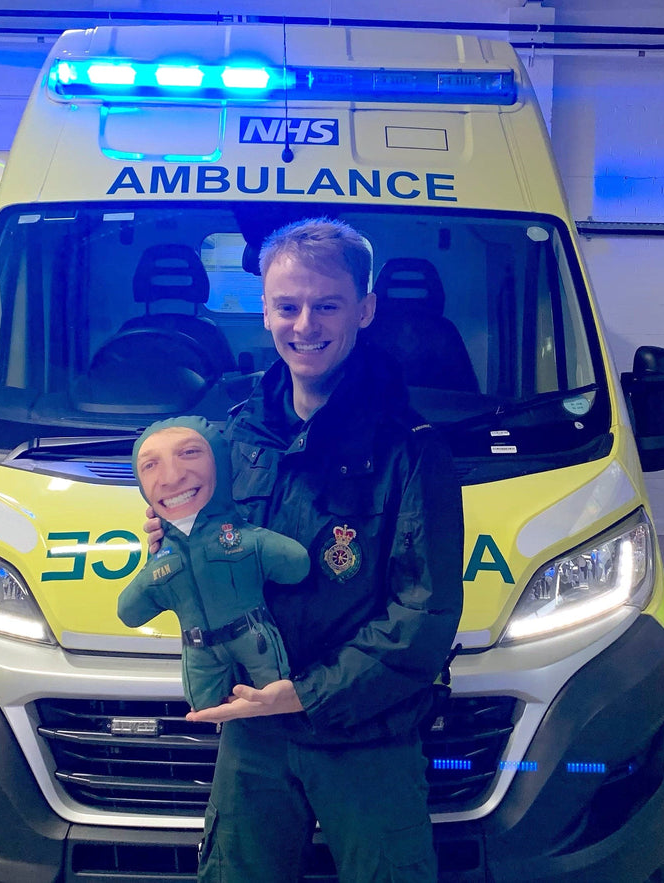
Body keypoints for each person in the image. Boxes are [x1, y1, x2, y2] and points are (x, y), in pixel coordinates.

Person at [147, 218, 464, 882]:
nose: (304, 324)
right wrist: (177, 545)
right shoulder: (232, 440)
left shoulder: (412, 450)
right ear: (264, 309)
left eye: (327, 306)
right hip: (254, 733)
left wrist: (305, 693)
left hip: (367, 735)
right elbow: (223, 564)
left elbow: (423, 618)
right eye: (287, 306)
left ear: (365, 309)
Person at [117, 415, 310, 711]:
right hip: (198, 652)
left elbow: (296, 564)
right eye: (150, 465)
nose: (171, 477)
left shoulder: (244, 536)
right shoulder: (160, 554)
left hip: (254, 640)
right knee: (204, 709)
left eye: (189, 452)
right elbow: (129, 612)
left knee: (272, 697)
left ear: (220, 463)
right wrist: (152, 562)